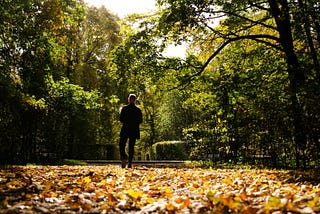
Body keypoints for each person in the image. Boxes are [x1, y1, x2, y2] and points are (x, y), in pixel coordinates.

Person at [119, 94, 142, 168]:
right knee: (131, 146)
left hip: (125, 128)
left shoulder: (124, 109)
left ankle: (124, 156)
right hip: (134, 129)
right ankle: (129, 162)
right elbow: (140, 120)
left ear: (128, 99)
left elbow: (121, 119)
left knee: (122, 144)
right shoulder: (138, 110)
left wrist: (127, 121)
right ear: (135, 100)